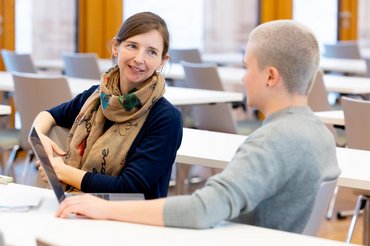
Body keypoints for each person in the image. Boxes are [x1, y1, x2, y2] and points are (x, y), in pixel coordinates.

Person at [55, 20, 341, 233]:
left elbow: (202, 210)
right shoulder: (321, 134)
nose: (242, 79)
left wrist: (103, 208)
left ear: (270, 77)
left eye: (246, 67)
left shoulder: (273, 141)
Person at [32, 12, 183, 199]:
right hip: (77, 208)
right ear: (115, 47)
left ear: (162, 61)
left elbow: (130, 187)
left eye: (151, 52)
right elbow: (49, 115)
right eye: (132, 46)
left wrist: (63, 173)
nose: (139, 58)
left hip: (132, 221)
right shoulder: (96, 96)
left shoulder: (166, 118)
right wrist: (40, 136)